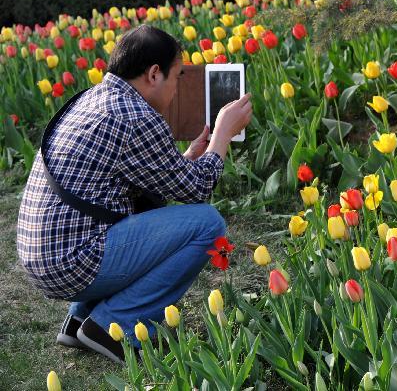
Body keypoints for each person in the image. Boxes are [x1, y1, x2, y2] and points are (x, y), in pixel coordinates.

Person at [16, 24, 252, 364]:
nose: (177, 88)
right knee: (208, 226)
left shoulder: (91, 98)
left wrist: (186, 159)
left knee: (137, 207)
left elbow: (138, 182)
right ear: (154, 74)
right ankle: (115, 326)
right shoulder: (137, 115)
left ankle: (81, 318)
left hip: (41, 258)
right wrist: (222, 136)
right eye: (177, 76)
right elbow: (198, 190)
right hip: (72, 263)